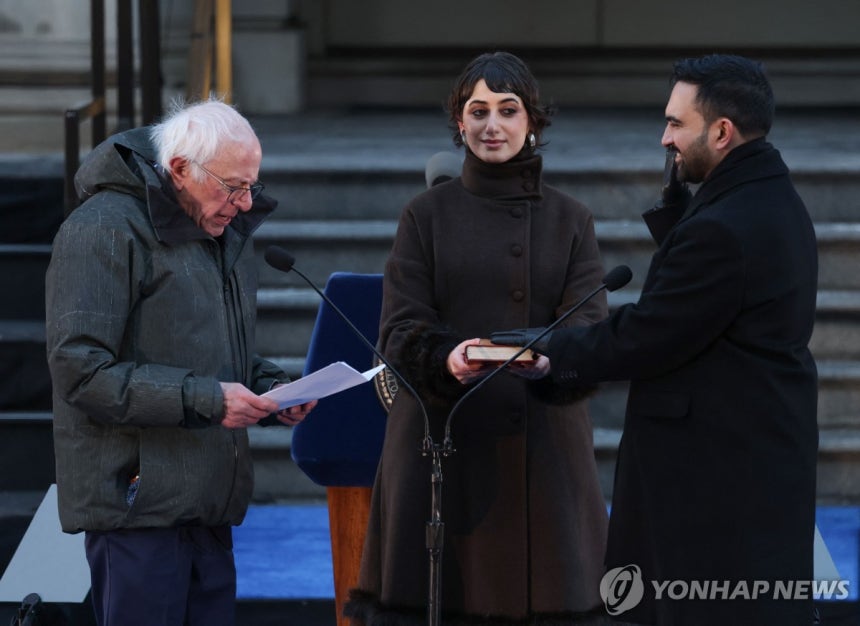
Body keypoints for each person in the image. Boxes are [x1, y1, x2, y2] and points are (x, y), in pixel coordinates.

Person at [492, 54, 819, 625]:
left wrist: (550, 353)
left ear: (721, 132)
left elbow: (650, 334)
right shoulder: (768, 198)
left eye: (675, 123)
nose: (664, 137)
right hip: (751, 461)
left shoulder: (724, 227)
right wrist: (681, 216)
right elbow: (711, 304)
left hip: (712, 483)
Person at [345, 51, 610, 625]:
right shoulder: (424, 215)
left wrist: (548, 361)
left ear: (532, 123)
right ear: (459, 123)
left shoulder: (572, 219)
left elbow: (589, 327)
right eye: (479, 110)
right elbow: (400, 328)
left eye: (508, 110)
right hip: (442, 441)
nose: (493, 124)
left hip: (541, 448)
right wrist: (448, 358)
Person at [45, 99, 317, 626]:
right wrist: (209, 399)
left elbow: (208, 348)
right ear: (179, 170)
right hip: (137, 504)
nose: (243, 203)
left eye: (251, 186)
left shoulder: (213, 230)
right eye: (232, 185)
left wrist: (271, 388)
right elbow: (80, 370)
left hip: (207, 499)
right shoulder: (102, 228)